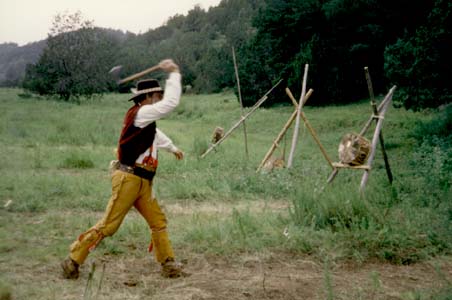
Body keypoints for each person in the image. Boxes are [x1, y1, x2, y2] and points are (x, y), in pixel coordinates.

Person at [61, 59, 186, 279]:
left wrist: (172, 148)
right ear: (147, 97)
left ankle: (168, 264)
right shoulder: (141, 113)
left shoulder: (144, 119)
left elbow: (156, 135)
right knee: (109, 226)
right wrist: (174, 73)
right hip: (128, 179)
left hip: (143, 182)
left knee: (158, 222)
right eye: (156, 95)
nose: (158, 99)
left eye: (159, 96)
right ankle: (73, 260)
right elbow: (170, 104)